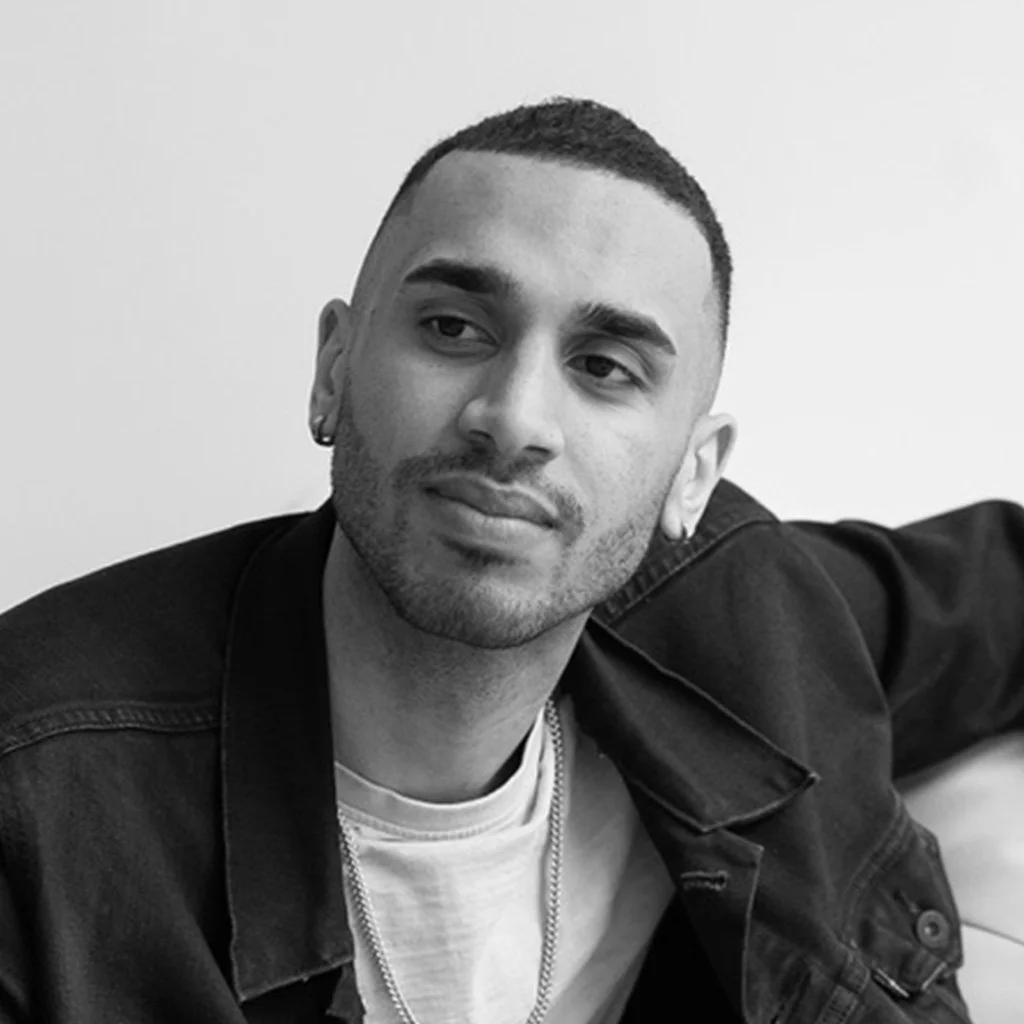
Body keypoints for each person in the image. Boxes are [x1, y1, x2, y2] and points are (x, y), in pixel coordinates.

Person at [0, 97, 1022, 1024]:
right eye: (452, 327)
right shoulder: (41, 799)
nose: (514, 418)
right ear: (332, 371)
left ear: (692, 475)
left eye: (604, 368)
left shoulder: (748, 616)